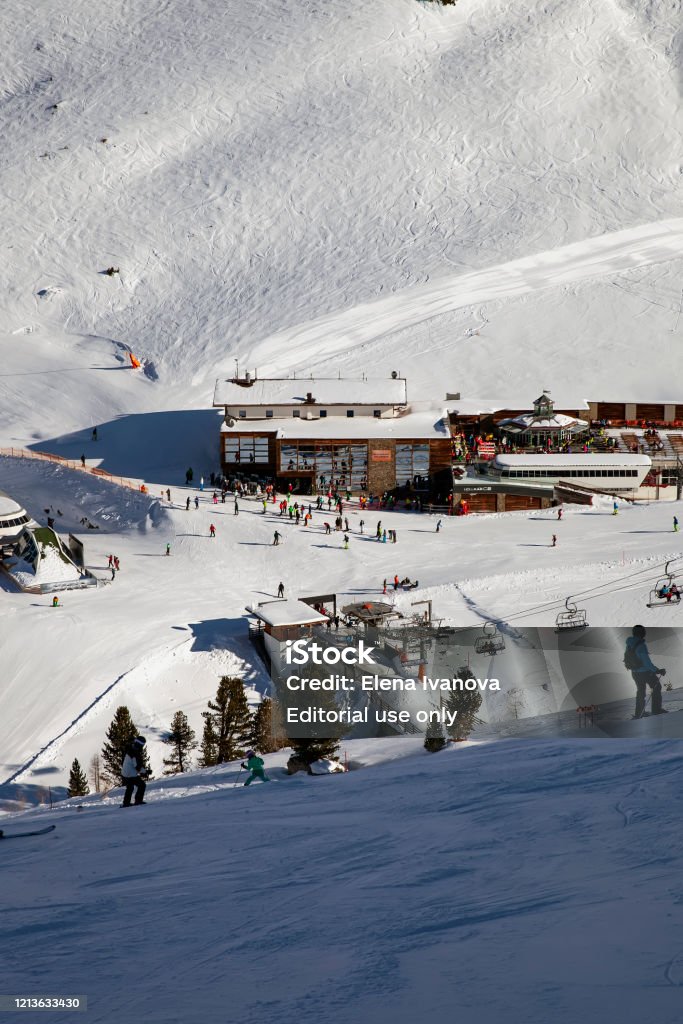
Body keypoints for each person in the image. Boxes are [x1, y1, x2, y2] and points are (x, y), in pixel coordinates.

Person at [625, 625, 666, 718]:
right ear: (642, 633)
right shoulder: (641, 645)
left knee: (641, 691)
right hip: (645, 672)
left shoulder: (629, 644)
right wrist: (657, 670)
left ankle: (639, 713)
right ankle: (656, 710)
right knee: (656, 687)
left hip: (635, 673)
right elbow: (646, 662)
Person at [121, 736, 150, 806]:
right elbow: (137, 767)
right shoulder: (134, 753)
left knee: (130, 787)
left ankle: (126, 803)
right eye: (142, 744)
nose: (143, 746)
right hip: (130, 774)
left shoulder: (131, 749)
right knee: (142, 785)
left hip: (125, 773)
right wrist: (146, 771)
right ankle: (138, 801)